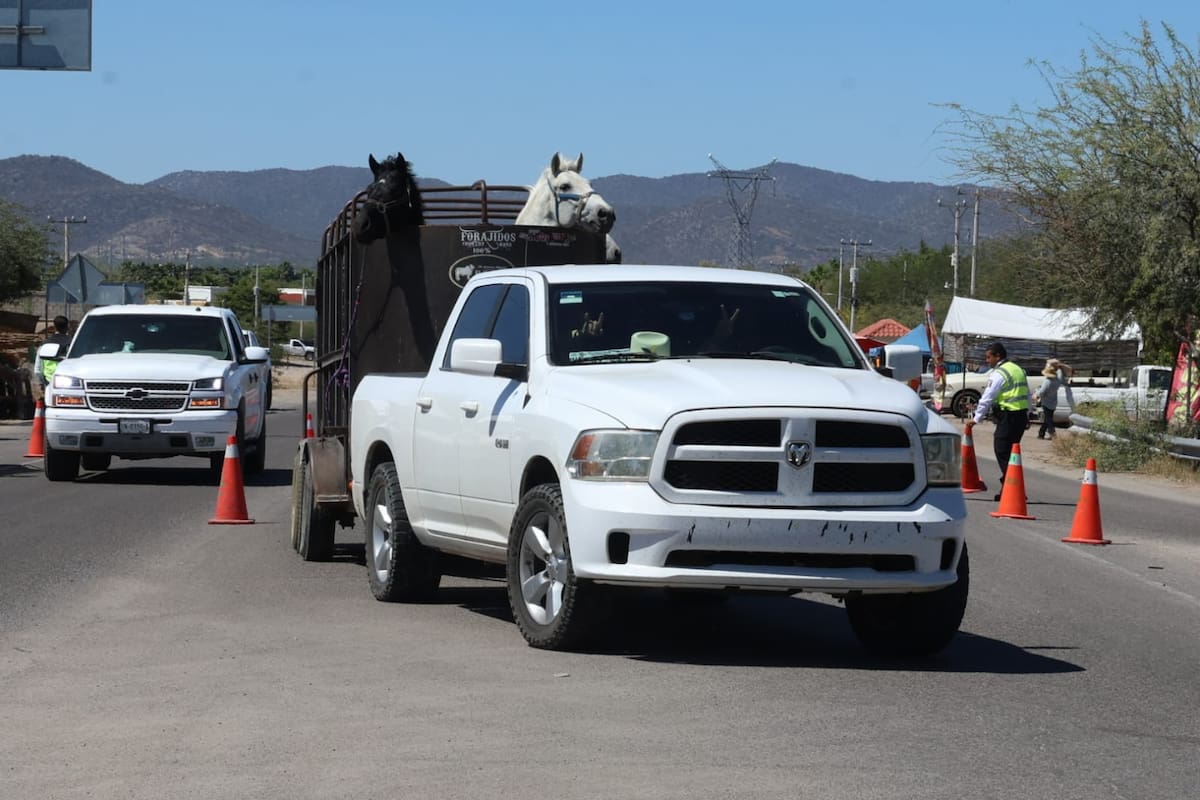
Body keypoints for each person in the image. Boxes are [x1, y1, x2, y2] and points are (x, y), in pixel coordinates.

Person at [964, 341, 1033, 500]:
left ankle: (1013, 488)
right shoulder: (1018, 370)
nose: (987, 360)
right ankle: (1008, 490)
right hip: (1020, 417)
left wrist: (976, 418)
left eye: (989, 357)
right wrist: (1028, 414)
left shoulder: (999, 373)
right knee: (1011, 454)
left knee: (1002, 450)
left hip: (1009, 417)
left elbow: (987, 397)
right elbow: (1027, 395)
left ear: (998, 356)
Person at [33, 315, 72, 396]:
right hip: (70, 383)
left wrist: (41, 383)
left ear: (54, 327)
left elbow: (37, 369)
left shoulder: (44, 344)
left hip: (49, 382)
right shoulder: (72, 344)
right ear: (67, 327)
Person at [1034, 360, 1068, 440]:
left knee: (1048, 419)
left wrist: (1036, 394)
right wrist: (1059, 368)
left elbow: (1042, 392)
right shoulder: (1057, 381)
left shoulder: (1047, 382)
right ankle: (1041, 433)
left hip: (1046, 402)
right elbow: (1060, 376)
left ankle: (1052, 433)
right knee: (1047, 418)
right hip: (1053, 402)